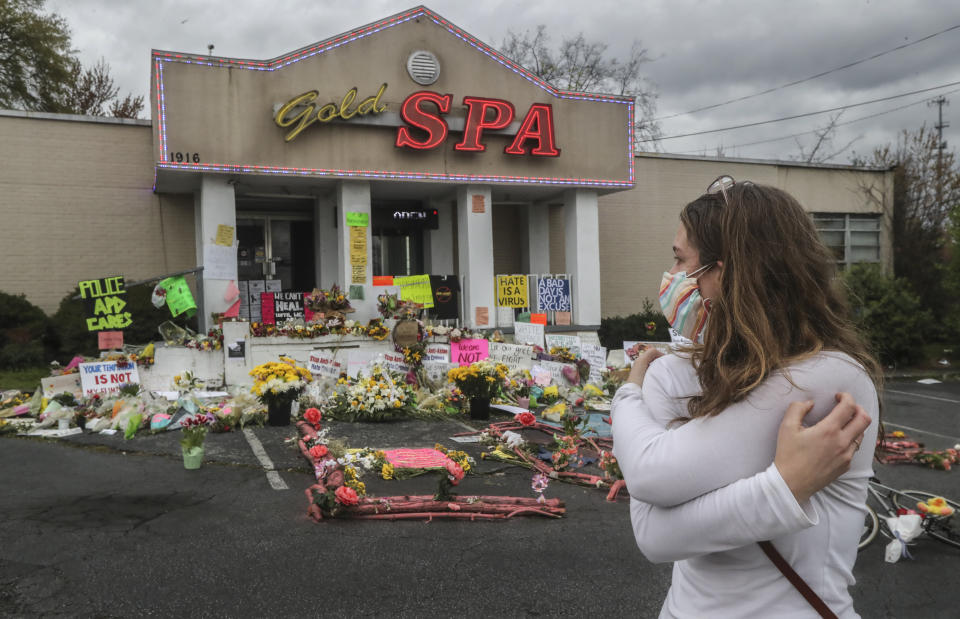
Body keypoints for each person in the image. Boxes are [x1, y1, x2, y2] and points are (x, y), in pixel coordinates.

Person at [612, 177, 881, 618]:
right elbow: (651, 535)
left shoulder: (828, 378)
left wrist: (627, 393)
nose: (672, 279)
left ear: (729, 269)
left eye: (681, 261)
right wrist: (782, 489)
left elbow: (648, 473)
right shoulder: (684, 370)